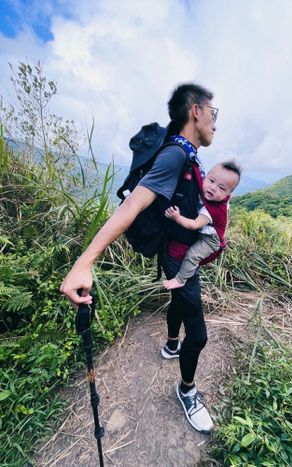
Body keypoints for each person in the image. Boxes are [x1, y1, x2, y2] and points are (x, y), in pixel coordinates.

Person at [60, 83, 218, 434]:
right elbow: (131, 205)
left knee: (180, 298)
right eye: (213, 113)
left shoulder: (186, 152)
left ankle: (171, 345)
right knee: (202, 336)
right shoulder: (175, 155)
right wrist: (84, 262)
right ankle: (187, 390)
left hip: (177, 252)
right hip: (178, 257)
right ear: (195, 111)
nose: (215, 122)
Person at [163, 161, 241, 290]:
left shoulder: (211, 210)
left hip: (210, 240)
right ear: (205, 177)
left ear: (228, 196)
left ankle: (180, 279)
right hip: (207, 233)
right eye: (211, 181)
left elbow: (194, 225)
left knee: (192, 256)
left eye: (221, 188)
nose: (213, 188)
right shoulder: (215, 198)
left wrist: (177, 217)